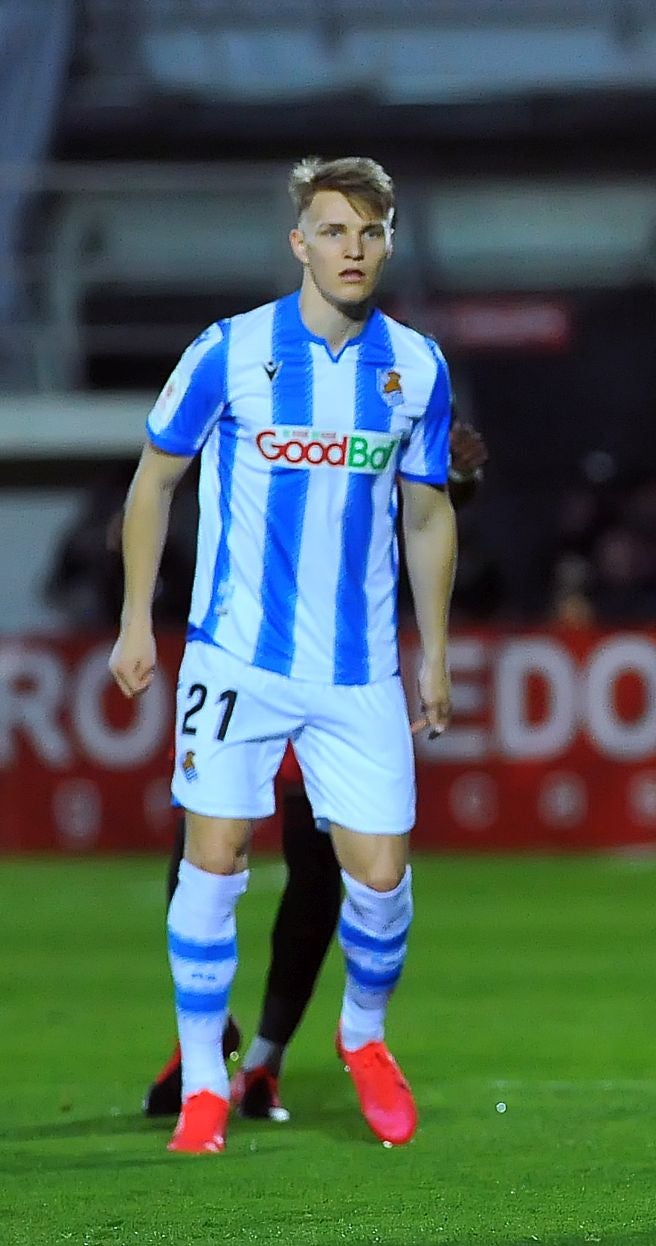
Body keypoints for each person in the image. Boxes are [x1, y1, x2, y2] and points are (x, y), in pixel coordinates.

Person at [109, 155, 458, 1155]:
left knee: (380, 879)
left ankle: (363, 1036)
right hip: (236, 659)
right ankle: (207, 1086)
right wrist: (139, 618)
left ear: (388, 244)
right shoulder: (229, 351)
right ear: (298, 242)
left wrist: (434, 652)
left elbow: (428, 514)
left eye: (370, 233)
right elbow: (152, 483)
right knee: (213, 860)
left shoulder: (418, 366)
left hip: (356, 671)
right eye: (334, 231)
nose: (353, 250)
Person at [142, 422, 486, 1123]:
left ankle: (265, 1059)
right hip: (244, 648)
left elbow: (414, 503)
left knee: (320, 854)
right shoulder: (252, 366)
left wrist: (459, 481)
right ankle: (204, 1038)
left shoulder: (390, 375)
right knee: (200, 844)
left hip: (341, 663)